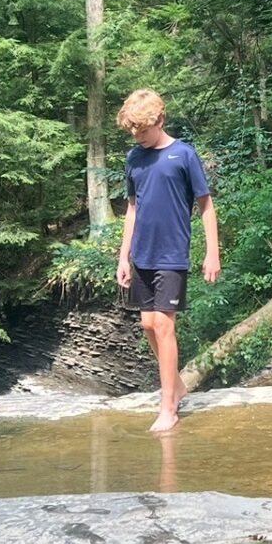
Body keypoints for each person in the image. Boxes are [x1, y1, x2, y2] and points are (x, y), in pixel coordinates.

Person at [114, 89, 220, 432]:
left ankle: (168, 406)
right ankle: (178, 385)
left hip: (172, 254)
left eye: (143, 130)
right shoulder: (134, 158)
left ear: (160, 120)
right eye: (133, 131)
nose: (138, 136)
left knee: (163, 325)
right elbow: (132, 209)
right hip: (142, 254)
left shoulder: (183, 154)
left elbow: (206, 205)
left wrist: (212, 252)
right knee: (148, 325)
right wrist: (123, 256)